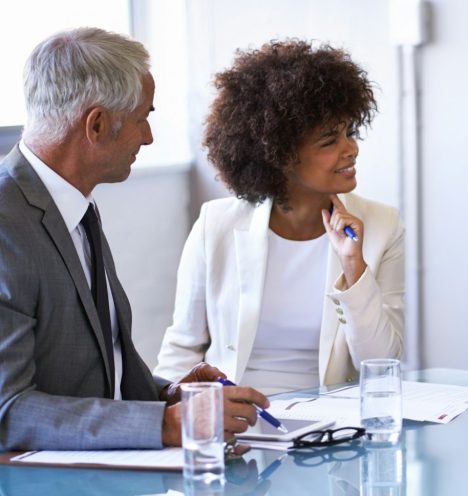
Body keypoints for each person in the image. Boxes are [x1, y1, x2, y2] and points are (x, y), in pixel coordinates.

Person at [0, 27, 266, 451]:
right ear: (98, 124)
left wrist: (169, 396)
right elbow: (8, 412)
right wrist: (163, 425)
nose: (148, 136)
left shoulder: (75, 204)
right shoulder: (6, 221)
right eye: (143, 117)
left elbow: (90, 376)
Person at [154, 40, 404, 395]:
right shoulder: (217, 225)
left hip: (334, 430)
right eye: (329, 140)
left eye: (350, 131)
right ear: (280, 154)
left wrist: (353, 267)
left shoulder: (382, 226)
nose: (351, 148)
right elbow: (182, 349)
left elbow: (381, 363)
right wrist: (173, 414)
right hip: (235, 423)